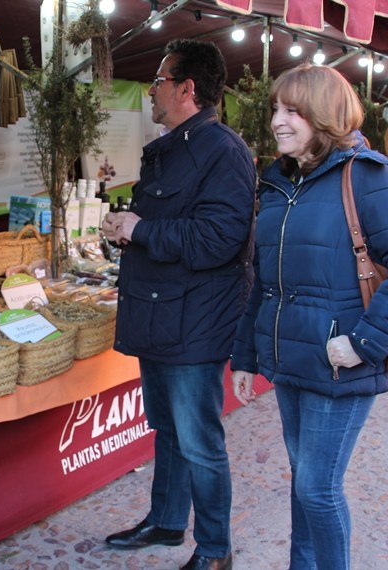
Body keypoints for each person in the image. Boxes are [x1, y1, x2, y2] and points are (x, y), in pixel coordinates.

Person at [230, 63, 388, 570]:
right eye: (277, 108)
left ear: (325, 116)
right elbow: (264, 279)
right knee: (303, 480)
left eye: (293, 111)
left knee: (317, 487)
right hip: (292, 358)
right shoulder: (278, 183)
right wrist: (247, 356)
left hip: (341, 362)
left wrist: (364, 343)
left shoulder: (367, 176)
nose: (278, 120)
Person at [99, 39, 255, 570]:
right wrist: (129, 231)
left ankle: (215, 551)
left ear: (187, 89)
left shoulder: (222, 151)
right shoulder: (172, 147)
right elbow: (175, 227)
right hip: (162, 314)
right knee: (166, 430)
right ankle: (166, 522)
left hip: (195, 322)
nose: (151, 91)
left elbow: (218, 239)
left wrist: (143, 229)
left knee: (200, 442)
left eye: (159, 81)